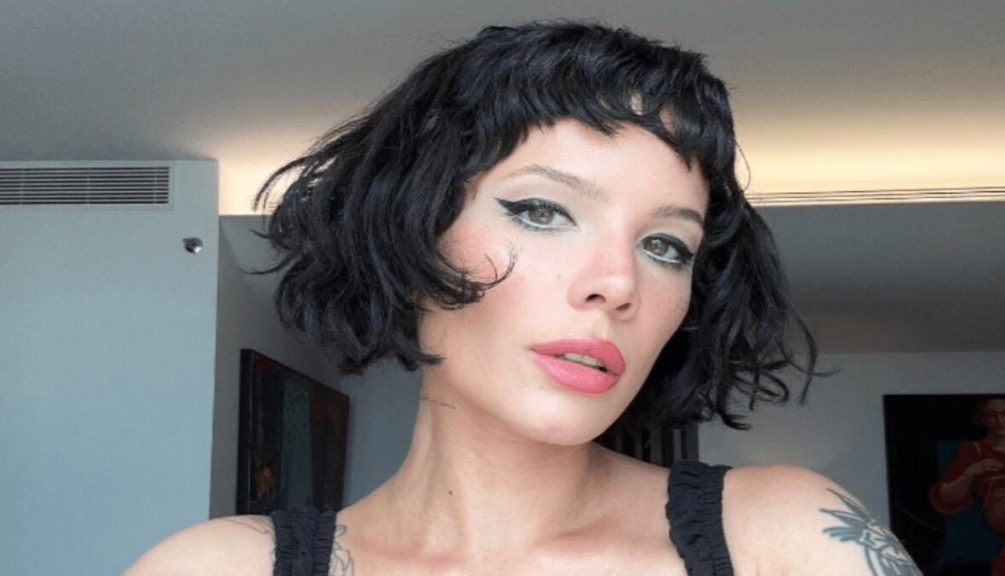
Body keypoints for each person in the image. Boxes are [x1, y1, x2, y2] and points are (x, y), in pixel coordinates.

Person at [126, 22, 921, 576]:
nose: (618, 282)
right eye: (542, 211)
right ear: (410, 232)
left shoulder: (785, 538)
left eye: (665, 246)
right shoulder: (213, 568)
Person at [931, 397, 1005, 576]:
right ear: (983, 420)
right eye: (992, 415)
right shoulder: (974, 449)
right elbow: (948, 496)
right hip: (1001, 504)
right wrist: (973, 470)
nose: (1000, 420)